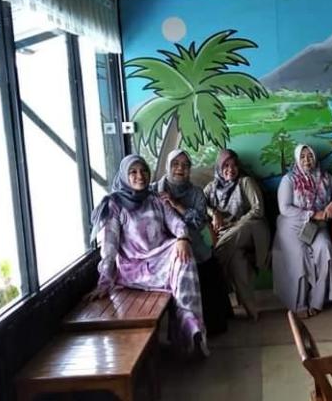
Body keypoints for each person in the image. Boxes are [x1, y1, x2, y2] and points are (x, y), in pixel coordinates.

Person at [88, 154, 208, 357]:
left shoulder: (155, 199)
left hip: (159, 260)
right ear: (124, 175)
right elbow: (109, 247)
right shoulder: (114, 204)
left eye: (143, 170)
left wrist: (182, 238)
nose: (140, 176)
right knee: (181, 257)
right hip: (134, 268)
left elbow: (177, 223)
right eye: (133, 172)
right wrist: (104, 282)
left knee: (183, 253)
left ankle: (189, 319)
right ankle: (186, 324)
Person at [154, 149, 231, 335]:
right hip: (165, 248)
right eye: (175, 164)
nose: (180, 169)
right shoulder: (155, 190)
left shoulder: (196, 192)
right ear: (168, 166)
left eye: (185, 165)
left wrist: (176, 204)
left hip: (194, 244)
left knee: (209, 265)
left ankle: (211, 326)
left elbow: (199, 222)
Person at [272, 144, 332, 318]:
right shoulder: (289, 180)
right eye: (302, 157)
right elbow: (284, 208)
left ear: (315, 158)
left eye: (310, 156)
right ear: (297, 160)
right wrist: (313, 214)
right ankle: (299, 304)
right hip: (292, 225)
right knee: (299, 255)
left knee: (325, 249)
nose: (306, 160)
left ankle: (317, 301)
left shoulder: (325, 177)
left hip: (316, 226)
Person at [204, 149, 270, 321]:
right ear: (219, 167)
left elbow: (258, 210)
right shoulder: (211, 188)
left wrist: (236, 223)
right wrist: (213, 213)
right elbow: (200, 205)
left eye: (234, 165)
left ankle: (215, 262)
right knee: (237, 262)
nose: (230, 169)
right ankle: (251, 310)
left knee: (240, 231)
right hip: (230, 237)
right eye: (225, 166)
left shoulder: (245, 182)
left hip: (252, 230)